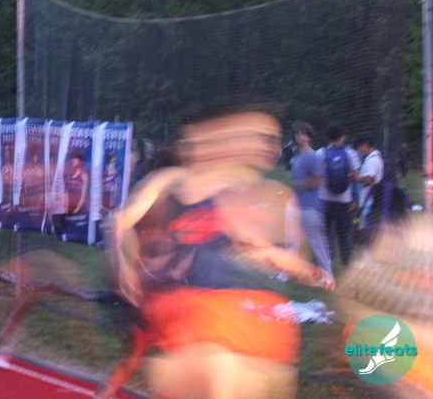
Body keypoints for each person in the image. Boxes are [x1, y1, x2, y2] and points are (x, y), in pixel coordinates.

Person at [107, 103, 333, 399]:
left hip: (210, 304)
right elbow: (119, 222)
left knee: (257, 369)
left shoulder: (233, 193)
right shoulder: (169, 182)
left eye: (270, 140)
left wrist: (305, 269)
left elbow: (255, 248)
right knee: (214, 367)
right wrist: (123, 265)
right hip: (178, 302)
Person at [285, 123, 332, 279]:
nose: (301, 136)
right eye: (298, 134)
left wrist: (301, 185)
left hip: (311, 207)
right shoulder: (298, 158)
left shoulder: (312, 156)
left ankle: (327, 276)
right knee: (291, 241)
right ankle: (286, 272)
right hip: (297, 205)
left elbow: (320, 180)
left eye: (304, 133)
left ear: (310, 137)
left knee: (317, 243)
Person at [318, 124, 358, 269]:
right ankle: (346, 265)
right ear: (342, 137)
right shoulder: (350, 153)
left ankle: (325, 266)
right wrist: (346, 181)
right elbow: (356, 176)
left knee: (325, 234)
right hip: (344, 201)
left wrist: (328, 182)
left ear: (327, 137)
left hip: (324, 200)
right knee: (344, 234)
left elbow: (317, 177)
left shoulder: (321, 153)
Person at [353, 135, 384, 246]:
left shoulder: (372, 161)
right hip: (369, 201)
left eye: (359, 148)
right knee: (366, 231)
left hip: (369, 202)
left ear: (365, 145)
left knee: (367, 233)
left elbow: (369, 179)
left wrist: (357, 178)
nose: (358, 151)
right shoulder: (374, 159)